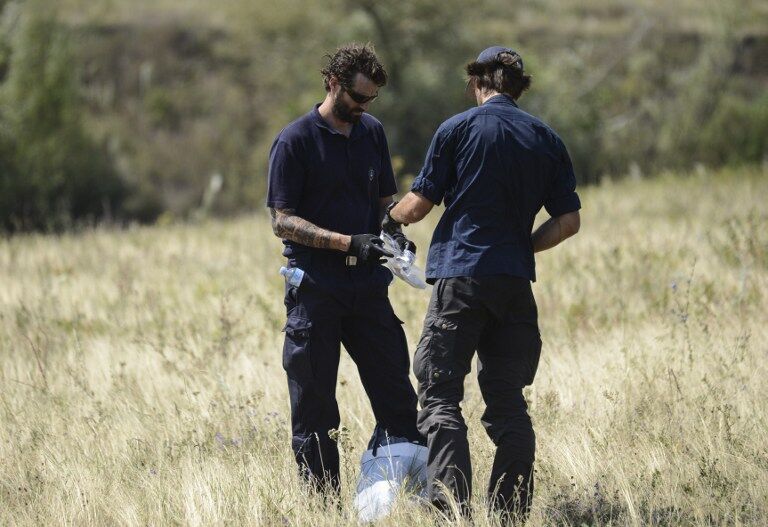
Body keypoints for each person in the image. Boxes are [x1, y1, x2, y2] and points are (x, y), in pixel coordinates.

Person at [382, 46, 581, 521]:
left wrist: (387, 219)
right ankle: (509, 514)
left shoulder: (458, 129)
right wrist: (517, 249)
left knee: (440, 393)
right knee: (508, 401)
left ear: (478, 83)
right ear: (517, 87)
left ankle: (451, 509)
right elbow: (568, 220)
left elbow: (419, 205)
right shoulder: (546, 137)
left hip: (461, 279)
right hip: (513, 284)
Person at [266, 43, 422, 494]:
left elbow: (383, 206)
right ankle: (322, 508)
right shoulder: (294, 141)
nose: (364, 107)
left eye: (371, 99)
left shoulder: (372, 132)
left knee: (396, 392)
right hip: (315, 287)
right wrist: (346, 241)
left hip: (369, 286)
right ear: (333, 83)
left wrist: (392, 233)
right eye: (358, 97)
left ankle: (397, 496)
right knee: (314, 407)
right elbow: (282, 221)